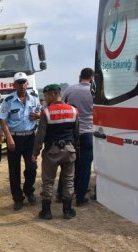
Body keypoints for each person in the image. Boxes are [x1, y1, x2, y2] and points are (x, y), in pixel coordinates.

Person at [32, 84, 79, 220]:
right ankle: (67, 211)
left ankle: (46, 212)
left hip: (51, 151)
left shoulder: (46, 112)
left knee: (48, 181)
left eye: (46, 96)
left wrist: (35, 153)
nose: (45, 99)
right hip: (69, 150)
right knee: (68, 180)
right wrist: (75, 148)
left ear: (52, 95)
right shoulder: (73, 111)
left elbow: (40, 136)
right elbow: (76, 134)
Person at [0, 72, 42, 211]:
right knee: (14, 170)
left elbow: (40, 114)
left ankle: (29, 190)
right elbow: (1, 119)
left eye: (24, 82)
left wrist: (39, 115)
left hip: (30, 137)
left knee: (32, 167)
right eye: (19, 82)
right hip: (14, 138)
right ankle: (17, 198)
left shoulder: (34, 98)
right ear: (14, 85)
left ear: (27, 84)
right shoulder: (8, 100)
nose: (22, 85)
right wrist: (9, 137)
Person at [57, 68, 94, 206]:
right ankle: (80, 196)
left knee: (68, 163)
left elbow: (62, 105)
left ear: (80, 76)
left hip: (72, 132)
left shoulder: (69, 89)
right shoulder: (94, 91)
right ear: (92, 77)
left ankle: (61, 193)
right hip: (88, 132)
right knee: (85, 166)